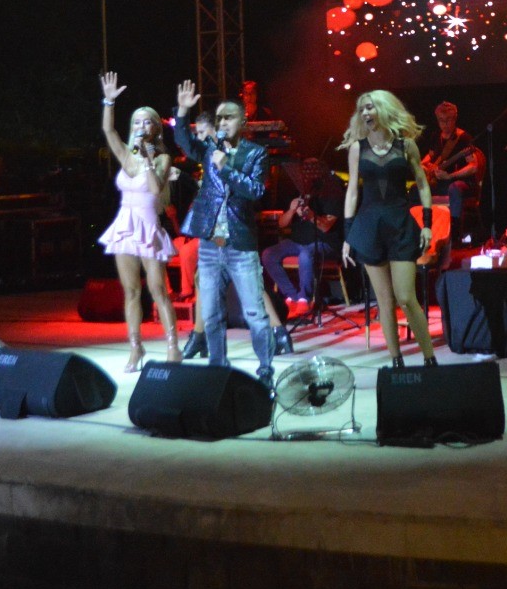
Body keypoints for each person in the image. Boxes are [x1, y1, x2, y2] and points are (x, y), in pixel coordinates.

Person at [173, 79, 277, 389]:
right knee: (211, 313)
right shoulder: (209, 149)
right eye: (218, 118)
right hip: (209, 245)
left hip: (240, 244)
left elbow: (255, 191)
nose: (222, 123)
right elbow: (185, 142)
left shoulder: (256, 153)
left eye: (228, 117)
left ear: (243, 121)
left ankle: (266, 372)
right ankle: (218, 369)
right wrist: (182, 112)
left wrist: (227, 168)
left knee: (255, 313)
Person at [340, 91, 438, 368]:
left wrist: (427, 224)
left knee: (406, 297)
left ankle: (430, 358)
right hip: (369, 227)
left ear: (383, 109)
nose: (365, 113)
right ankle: (396, 362)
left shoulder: (406, 145)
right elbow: (352, 192)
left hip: (400, 225)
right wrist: (348, 235)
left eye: (370, 107)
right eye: (361, 109)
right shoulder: (357, 148)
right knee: (384, 301)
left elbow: (422, 184)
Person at [97, 72, 182, 371]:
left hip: (147, 227)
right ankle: (136, 347)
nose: (140, 127)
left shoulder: (162, 159)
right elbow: (108, 130)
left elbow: (156, 189)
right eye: (136, 122)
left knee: (157, 289)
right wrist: (109, 101)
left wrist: (146, 159)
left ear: (156, 128)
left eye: (147, 122)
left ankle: (173, 345)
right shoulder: (125, 155)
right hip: (125, 226)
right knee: (131, 290)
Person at [260, 157, 345, 317]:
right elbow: (282, 224)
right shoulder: (299, 191)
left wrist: (310, 215)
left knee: (306, 254)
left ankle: (304, 299)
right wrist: (292, 210)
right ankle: (292, 296)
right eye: (305, 169)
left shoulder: (331, 192)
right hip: (297, 241)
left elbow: (326, 227)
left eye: (312, 168)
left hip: (323, 242)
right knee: (268, 254)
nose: (308, 173)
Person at [421, 101, 485, 240]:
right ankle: (419, 230)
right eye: (441, 121)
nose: (445, 124)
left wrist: (450, 176)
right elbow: (430, 156)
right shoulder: (436, 136)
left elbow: (473, 166)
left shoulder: (463, 138)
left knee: (454, 188)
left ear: (454, 119)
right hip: (440, 182)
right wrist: (423, 165)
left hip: (462, 183)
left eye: (448, 120)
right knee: (416, 190)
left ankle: (455, 235)